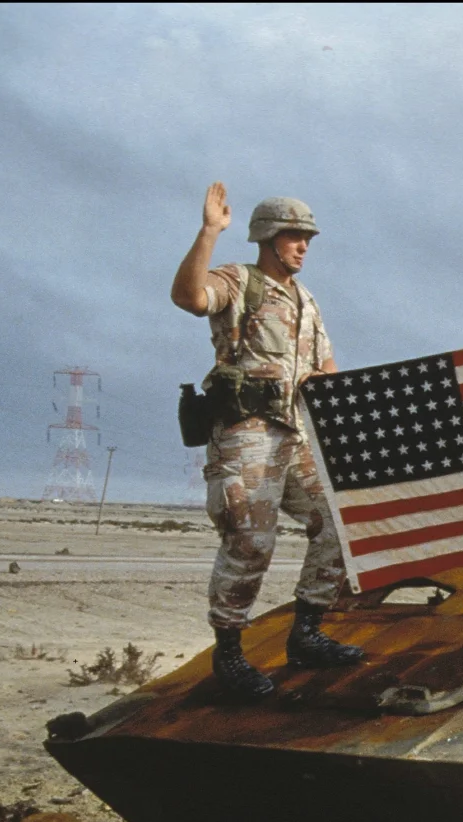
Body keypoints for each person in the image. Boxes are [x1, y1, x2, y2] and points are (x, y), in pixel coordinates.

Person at [170, 182, 364, 703]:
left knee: (340, 522)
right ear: (268, 238)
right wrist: (209, 232)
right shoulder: (240, 281)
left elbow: (326, 364)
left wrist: (328, 388)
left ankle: (307, 632)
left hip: (295, 436)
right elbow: (189, 298)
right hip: (246, 436)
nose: (303, 246)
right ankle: (229, 653)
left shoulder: (306, 300)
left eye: (308, 238)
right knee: (250, 542)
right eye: (294, 236)